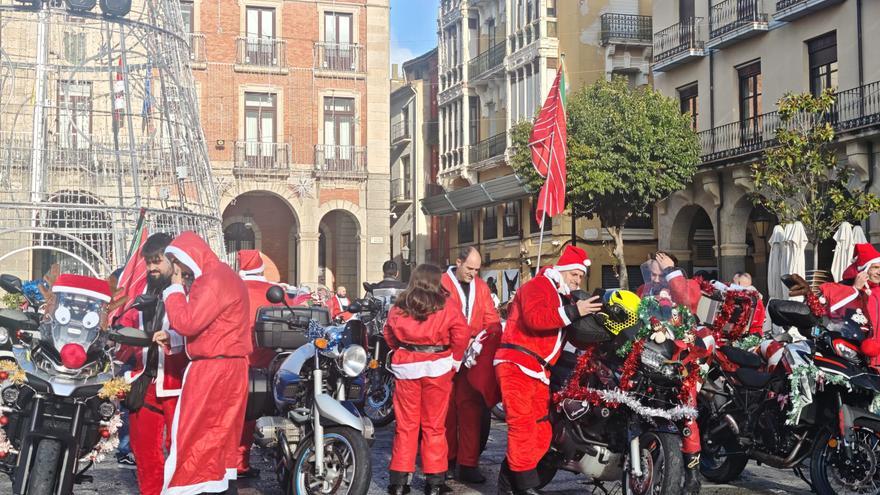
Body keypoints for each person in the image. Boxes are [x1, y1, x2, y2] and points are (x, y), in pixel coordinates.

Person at [493, 245, 602, 495]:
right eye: (574, 274)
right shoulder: (538, 286)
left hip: (538, 371)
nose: (577, 280)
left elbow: (574, 337)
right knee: (523, 427)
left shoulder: (563, 298)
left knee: (542, 429)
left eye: (581, 276)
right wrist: (575, 311)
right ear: (562, 270)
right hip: (516, 365)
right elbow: (535, 318)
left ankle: (508, 484)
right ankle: (523, 488)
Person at [157, 231, 252, 495]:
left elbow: (188, 322)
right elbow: (215, 327)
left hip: (213, 371)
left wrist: (175, 289)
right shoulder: (224, 276)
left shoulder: (211, 280)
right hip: (231, 368)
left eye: (177, 261)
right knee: (219, 442)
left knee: (194, 440)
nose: (178, 268)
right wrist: (174, 338)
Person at [384, 264, 471, 495]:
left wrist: (402, 350)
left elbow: (388, 334)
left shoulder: (399, 305)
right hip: (437, 366)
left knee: (406, 426)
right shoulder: (448, 305)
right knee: (434, 426)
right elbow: (461, 334)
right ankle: (434, 483)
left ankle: (399, 483)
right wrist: (456, 359)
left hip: (407, 367)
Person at [117, 233, 188, 495]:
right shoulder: (139, 291)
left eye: (156, 261)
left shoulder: (188, 289)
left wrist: (172, 339)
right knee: (144, 450)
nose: (151, 268)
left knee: (179, 449)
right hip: (143, 380)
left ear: (172, 261)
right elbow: (126, 325)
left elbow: (194, 328)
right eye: (148, 262)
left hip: (177, 383)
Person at [441, 248, 502, 483]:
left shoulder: (482, 287)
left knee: (472, 411)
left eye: (477, 270)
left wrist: (483, 339)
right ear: (458, 262)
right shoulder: (441, 283)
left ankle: (468, 463)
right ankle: (446, 461)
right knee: (446, 412)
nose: (473, 274)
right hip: (445, 357)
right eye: (469, 269)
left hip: (471, 360)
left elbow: (492, 320)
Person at [235, 249, 279, 479]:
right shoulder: (274, 290)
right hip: (270, 361)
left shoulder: (235, 290)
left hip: (237, 360)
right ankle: (241, 460)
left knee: (238, 414)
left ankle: (235, 462)